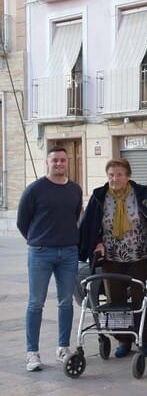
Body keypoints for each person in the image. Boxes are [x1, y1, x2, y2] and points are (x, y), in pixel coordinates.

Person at [79, 158, 147, 358]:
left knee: (141, 297)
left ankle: (144, 338)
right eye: (111, 175)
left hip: (139, 253)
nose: (114, 179)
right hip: (111, 255)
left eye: (119, 174)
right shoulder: (100, 196)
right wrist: (96, 243)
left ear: (128, 176)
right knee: (115, 300)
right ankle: (123, 340)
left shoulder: (142, 194)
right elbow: (91, 226)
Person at [17, 146, 82, 372]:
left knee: (66, 302)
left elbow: (75, 216)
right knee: (36, 303)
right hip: (41, 253)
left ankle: (63, 348)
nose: (59, 164)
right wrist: (37, 239)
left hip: (68, 253)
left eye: (63, 160)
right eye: (55, 160)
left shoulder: (75, 189)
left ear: (68, 162)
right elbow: (22, 222)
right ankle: (32, 353)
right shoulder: (35, 189)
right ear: (47, 162)